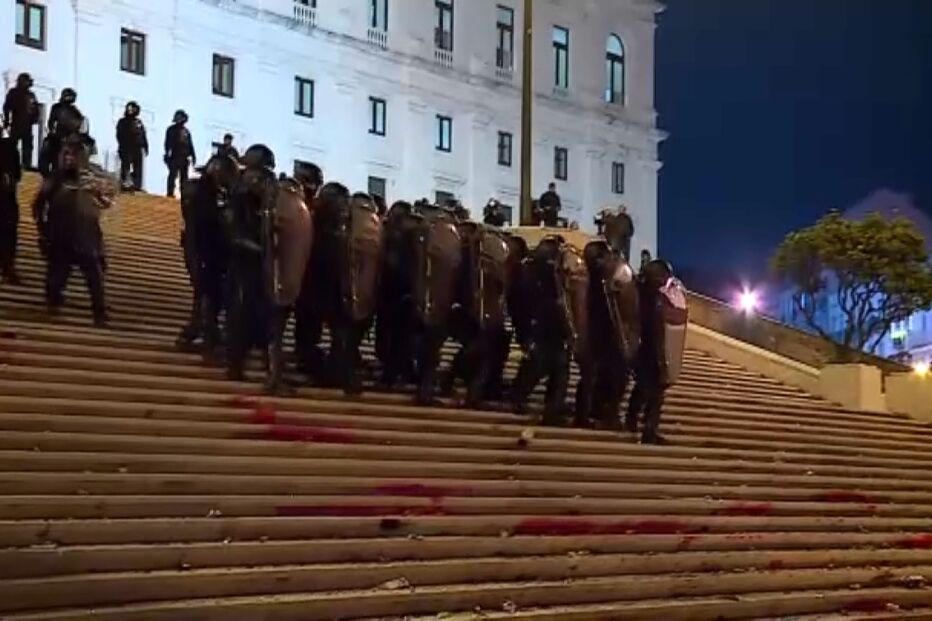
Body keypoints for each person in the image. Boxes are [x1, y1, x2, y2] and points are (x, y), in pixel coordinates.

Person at [32, 136, 111, 326]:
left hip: (86, 237)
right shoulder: (55, 178)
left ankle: (99, 312)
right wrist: (43, 231)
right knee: (56, 276)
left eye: (73, 155)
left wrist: (100, 248)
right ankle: (53, 301)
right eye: (65, 154)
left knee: (94, 277)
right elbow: (38, 205)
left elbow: (102, 206)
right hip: (61, 236)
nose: (68, 159)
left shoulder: (92, 180)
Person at [625, 259, 688, 445]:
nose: (665, 282)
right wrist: (662, 362)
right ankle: (648, 429)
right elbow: (656, 331)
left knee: (644, 390)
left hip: (643, 350)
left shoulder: (640, 292)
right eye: (664, 277)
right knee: (654, 394)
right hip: (648, 351)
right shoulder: (652, 299)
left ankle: (633, 421)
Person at [42, 88, 85, 176]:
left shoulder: (74, 110)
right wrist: (52, 132)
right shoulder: (57, 107)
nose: (71, 99)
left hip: (69, 137)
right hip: (58, 136)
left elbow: (80, 121)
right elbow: (51, 121)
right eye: (70, 96)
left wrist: (75, 132)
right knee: (51, 152)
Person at [2, 72, 40, 169]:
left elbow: (36, 109)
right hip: (16, 124)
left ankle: (26, 165)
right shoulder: (13, 92)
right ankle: (10, 164)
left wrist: (35, 118)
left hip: (27, 125)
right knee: (12, 146)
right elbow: (7, 107)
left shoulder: (31, 95)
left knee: (27, 147)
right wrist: (6, 121)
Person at [0, 126, 23, 284]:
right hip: (7, 198)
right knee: (8, 233)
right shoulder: (10, 146)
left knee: (8, 232)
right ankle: (8, 267)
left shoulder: (9, 147)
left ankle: (8, 267)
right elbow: (18, 174)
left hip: (7, 198)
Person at [115, 101, 148, 192]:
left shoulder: (138, 122)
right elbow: (119, 135)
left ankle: (137, 186)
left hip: (138, 148)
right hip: (126, 148)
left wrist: (145, 146)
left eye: (133, 108)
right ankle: (124, 184)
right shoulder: (122, 121)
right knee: (126, 167)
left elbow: (143, 135)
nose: (131, 110)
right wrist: (122, 145)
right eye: (129, 108)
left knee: (138, 167)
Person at [164, 110, 196, 198]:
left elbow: (190, 145)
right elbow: (167, 143)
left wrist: (193, 156)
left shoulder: (186, 131)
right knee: (172, 175)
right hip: (175, 156)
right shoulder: (171, 129)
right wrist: (167, 154)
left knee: (184, 178)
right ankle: (170, 193)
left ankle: (184, 195)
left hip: (184, 157)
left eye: (181, 118)